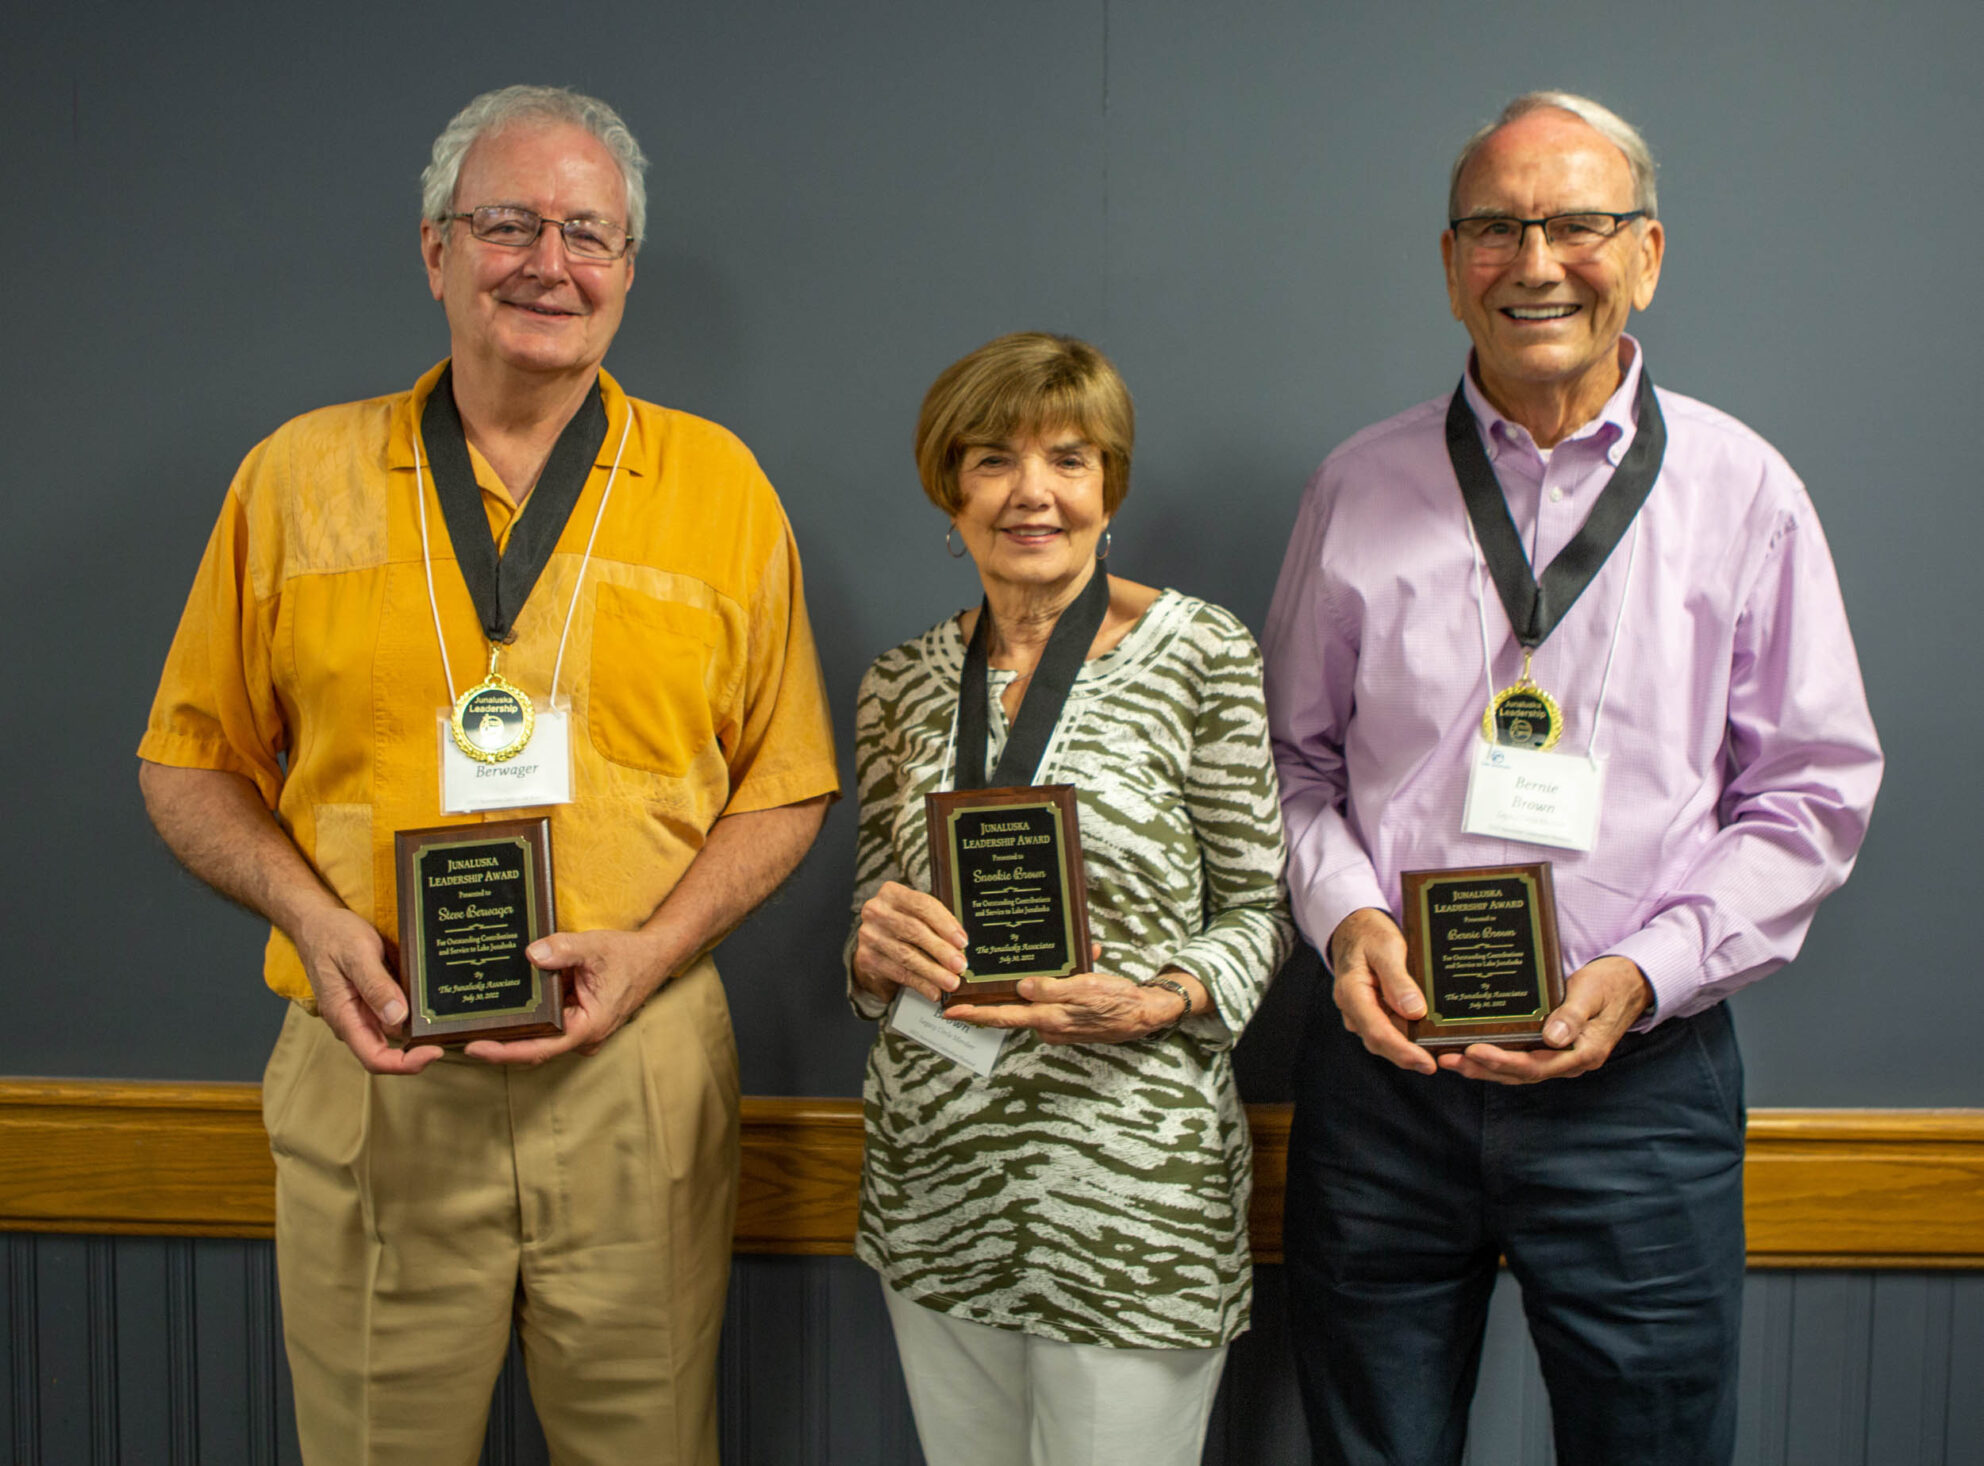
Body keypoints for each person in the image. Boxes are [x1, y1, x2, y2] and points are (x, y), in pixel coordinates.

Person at [137, 85, 838, 1464]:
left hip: (634, 1072)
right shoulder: (294, 480)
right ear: (434, 249)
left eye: (588, 232)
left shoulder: (722, 488)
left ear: (627, 269)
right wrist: (313, 920)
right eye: (507, 221)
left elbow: (788, 779)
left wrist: (656, 949)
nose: (548, 262)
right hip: (375, 1072)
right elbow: (188, 764)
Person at [1263, 92, 1882, 1466]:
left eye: (1577, 223)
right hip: (1386, 1081)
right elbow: (1292, 767)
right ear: (1448, 264)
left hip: (1637, 1094)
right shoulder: (1355, 487)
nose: (1536, 260)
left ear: (1647, 253)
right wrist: (1348, 922)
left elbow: (1811, 792)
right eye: (1495, 227)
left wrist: (1652, 969)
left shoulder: (1744, 490)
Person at [846, 331, 1293, 1466]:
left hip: (1131, 1190)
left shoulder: (1199, 653)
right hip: (938, 1177)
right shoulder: (899, 682)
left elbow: (1260, 902)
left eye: (1068, 458)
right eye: (992, 459)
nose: (1030, 492)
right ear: (950, 489)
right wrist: (870, 951)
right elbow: (870, 922)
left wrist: (1156, 997)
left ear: (1110, 486)